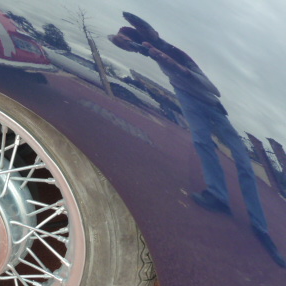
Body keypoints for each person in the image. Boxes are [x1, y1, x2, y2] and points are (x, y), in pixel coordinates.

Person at [110, 12, 285, 268]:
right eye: (141, 46)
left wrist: (176, 64)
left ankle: (261, 226)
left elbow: (213, 88)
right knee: (202, 143)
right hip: (186, 97)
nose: (147, 49)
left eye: (146, 44)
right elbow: (117, 39)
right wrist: (126, 43)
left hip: (211, 104)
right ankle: (218, 195)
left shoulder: (175, 53)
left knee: (243, 162)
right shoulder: (148, 50)